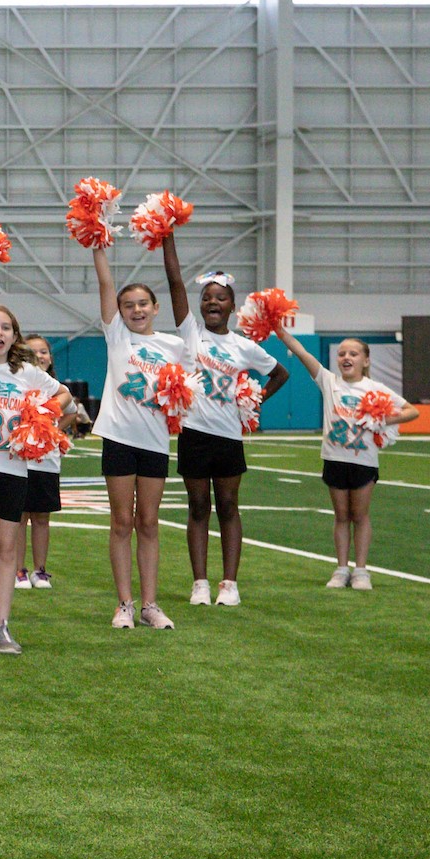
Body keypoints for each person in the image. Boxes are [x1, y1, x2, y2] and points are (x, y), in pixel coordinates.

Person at [162, 243, 290, 606]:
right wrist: (167, 236)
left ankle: (229, 584)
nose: (213, 303)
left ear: (233, 307)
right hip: (194, 433)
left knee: (229, 506)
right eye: (207, 298)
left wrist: (253, 402)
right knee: (198, 505)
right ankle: (200, 582)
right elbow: (174, 282)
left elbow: (280, 373)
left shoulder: (244, 347)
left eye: (220, 298)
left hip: (228, 435)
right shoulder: (190, 334)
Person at [0, 297, 71, 654]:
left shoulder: (29, 373)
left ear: (15, 334)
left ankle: (3, 625)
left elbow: (64, 395)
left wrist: (41, 415)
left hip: (14, 470)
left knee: (7, 549)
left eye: (5, 327)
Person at [90, 246, 193, 630]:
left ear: (155, 308)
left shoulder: (175, 346)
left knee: (149, 522)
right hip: (118, 438)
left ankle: (150, 604)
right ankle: (124, 604)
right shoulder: (116, 336)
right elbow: (105, 282)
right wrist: (99, 246)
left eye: (143, 304)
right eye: (128, 305)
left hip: (154, 442)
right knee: (121, 521)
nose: (136, 310)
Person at [272, 329, 417, 590]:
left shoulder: (376, 389)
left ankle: (361, 571)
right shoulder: (329, 381)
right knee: (341, 515)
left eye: (353, 353)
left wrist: (384, 420)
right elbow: (302, 352)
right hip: (334, 458)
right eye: (341, 353)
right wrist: (280, 331)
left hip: (364, 461)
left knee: (360, 515)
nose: (346, 357)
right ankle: (341, 569)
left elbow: (412, 411)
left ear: (366, 360)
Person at [18, 334, 70, 590]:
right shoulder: (20, 386)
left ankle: (40, 570)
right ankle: (19, 571)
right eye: (33, 351)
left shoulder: (58, 390)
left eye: (44, 352)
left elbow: (71, 412)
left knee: (42, 518)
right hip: (21, 462)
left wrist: (56, 433)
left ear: (51, 358)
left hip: (47, 463)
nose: (39, 356)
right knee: (19, 517)